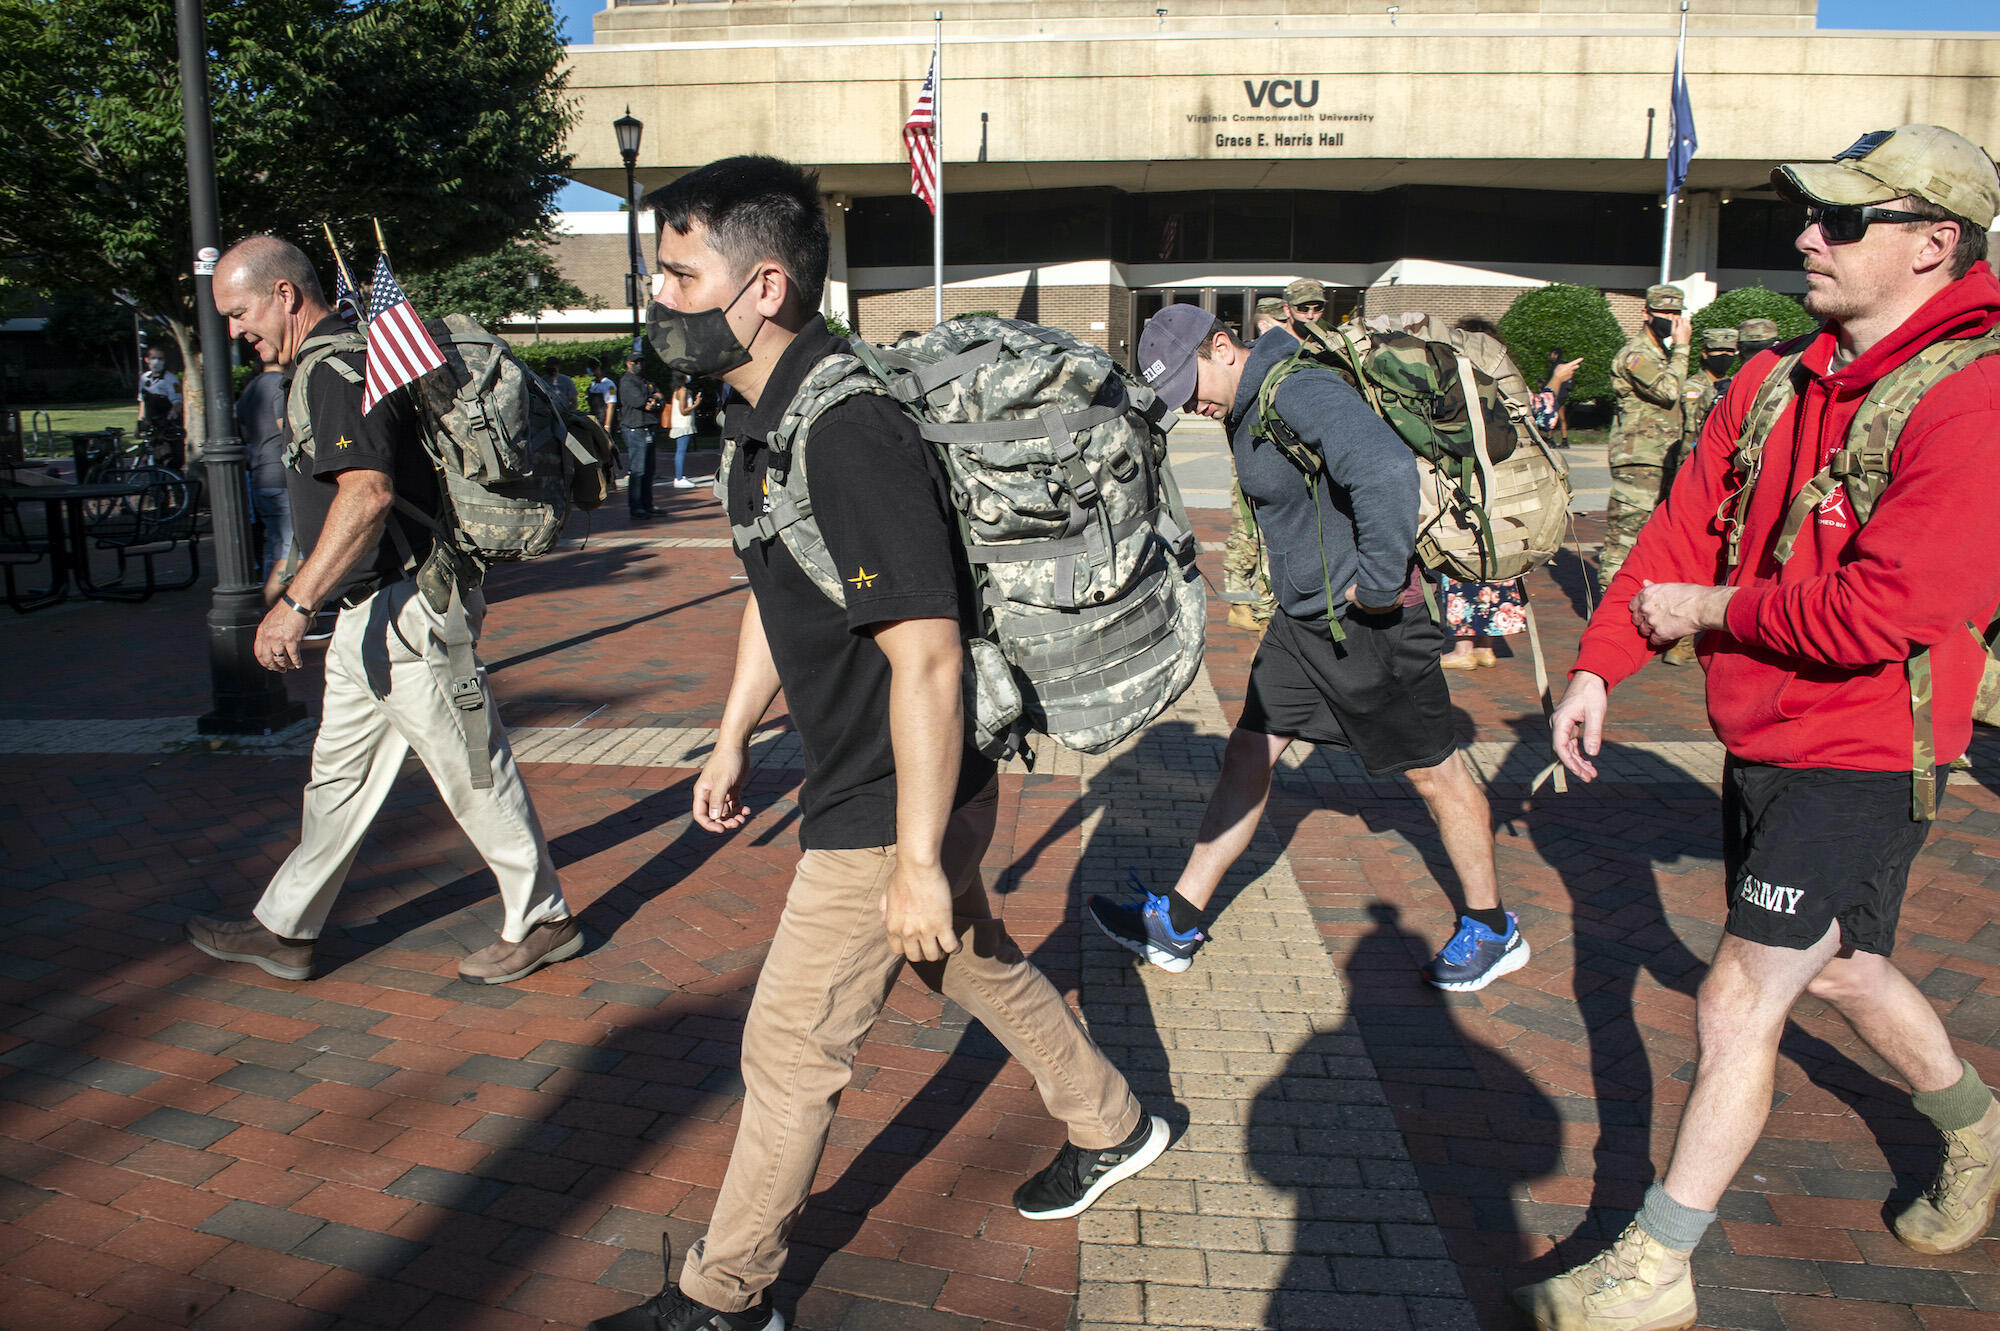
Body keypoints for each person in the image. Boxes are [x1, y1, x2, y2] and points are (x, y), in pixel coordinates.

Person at [591, 155, 1167, 1331]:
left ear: (762, 287)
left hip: (893, 784)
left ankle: (727, 1294)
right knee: (965, 955)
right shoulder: (765, 419)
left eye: (680, 272)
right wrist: (728, 736)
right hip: (873, 773)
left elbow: (928, 653)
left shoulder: (847, 426)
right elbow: (774, 583)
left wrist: (911, 853)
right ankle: (1114, 1120)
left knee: (791, 1044)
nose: (662, 296)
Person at [1520, 124, 2000, 1331]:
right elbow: (1677, 530)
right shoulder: (1774, 375)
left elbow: (1891, 607)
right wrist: (1600, 664)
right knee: (1839, 965)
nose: (1803, 238)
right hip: (1762, 735)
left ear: (1932, 243)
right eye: (1810, 217)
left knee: (1739, 993)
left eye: (1840, 222)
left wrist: (1713, 609)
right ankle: (1976, 1128)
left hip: (1870, 743)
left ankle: (1655, 1262)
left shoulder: (1974, 395)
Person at [1086, 304, 1525, 993]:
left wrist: (1379, 587)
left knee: (1433, 772)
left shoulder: (1296, 388)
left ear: (1223, 345)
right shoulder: (1250, 401)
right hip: (1304, 624)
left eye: (1189, 387)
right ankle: (1177, 918)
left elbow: (1383, 470)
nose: (1191, 406)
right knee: (1248, 752)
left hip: (1369, 626)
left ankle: (1493, 928)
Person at [183, 235, 578, 987]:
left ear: (285, 295)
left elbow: (367, 493)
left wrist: (295, 603)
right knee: (337, 778)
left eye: (239, 313)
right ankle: (285, 928)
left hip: (409, 611)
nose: (235, 331)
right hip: (373, 615)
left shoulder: (333, 368)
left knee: (471, 767)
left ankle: (544, 918)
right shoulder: (335, 362)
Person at [1657, 326, 1742, 668]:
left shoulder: (1736, 385)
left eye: (1730, 351)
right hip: (1694, 477)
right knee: (1694, 554)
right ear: (1704, 353)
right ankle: (1681, 639)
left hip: (1728, 479)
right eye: (1718, 351)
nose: (1724, 357)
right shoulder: (1695, 388)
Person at [1597, 283, 1691, 589]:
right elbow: (1668, 392)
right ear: (1646, 313)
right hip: (1639, 460)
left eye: (1676, 312)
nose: (1671, 318)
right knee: (1623, 541)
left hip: (1662, 459)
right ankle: (1604, 615)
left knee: (1653, 540)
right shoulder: (1636, 355)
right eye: (1664, 312)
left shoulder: (1662, 353)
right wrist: (1683, 347)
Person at [235, 362, 296, 606]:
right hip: (280, 475)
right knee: (293, 553)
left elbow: (245, 433)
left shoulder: (251, 388)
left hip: (260, 474)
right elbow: (287, 429)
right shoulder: (278, 385)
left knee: (276, 547)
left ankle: (273, 609)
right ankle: (269, 610)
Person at [618, 353, 663, 519]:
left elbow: (660, 398)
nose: (639, 365)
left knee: (649, 470)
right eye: (636, 362)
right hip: (635, 428)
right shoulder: (627, 381)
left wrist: (654, 400)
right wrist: (651, 397)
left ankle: (647, 504)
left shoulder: (645, 380)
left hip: (649, 427)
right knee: (638, 470)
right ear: (628, 363)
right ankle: (636, 507)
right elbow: (638, 401)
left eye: (641, 361)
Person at [138, 347, 185, 468]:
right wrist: (139, 424)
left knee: (172, 457)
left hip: (166, 422)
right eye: (153, 358)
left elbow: (177, 401)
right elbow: (143, 401)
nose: (157, 362)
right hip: (151, 421)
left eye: (160, 358)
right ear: (146, 360)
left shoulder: (171, 379)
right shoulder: (144, 378)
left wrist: (173, 413)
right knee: (153, 456)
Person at [1535, 346, 1582, 447]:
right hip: (1564, 394)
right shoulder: (1565, 366)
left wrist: (1542, 385)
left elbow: (1551, 383)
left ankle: (1550, 438)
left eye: (1551, 354)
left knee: (1550, 414)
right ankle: (1564, 440)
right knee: (1562, 418)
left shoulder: (1555, 367)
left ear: (1555, 354)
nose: (1549, 356)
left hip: (1556, 395)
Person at [665, 373, 701, 489]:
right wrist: (696, 404)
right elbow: (683, 411)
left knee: (680, 451)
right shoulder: (682, 390)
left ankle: (679, 476)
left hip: (680, 424)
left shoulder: (679, 390)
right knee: (681, 451)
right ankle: (678, 477)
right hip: (683, 425)